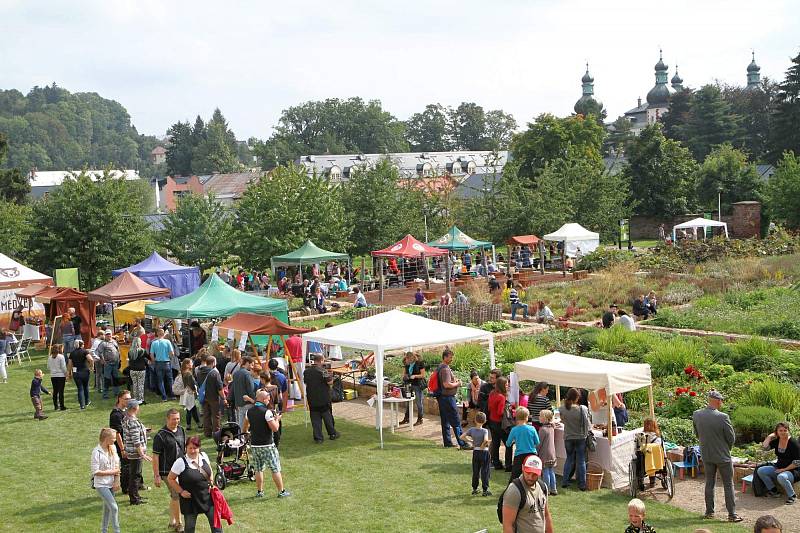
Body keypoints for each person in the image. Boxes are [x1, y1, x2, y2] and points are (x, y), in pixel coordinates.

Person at [692, 390, 742, 522]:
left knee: (709, 483)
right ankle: (732, 515)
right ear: (718, 401)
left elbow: (697, 434)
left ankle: (709, 512)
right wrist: (726, 449)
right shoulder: (723, 417)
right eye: (721, 400)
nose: (722, 403)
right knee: (728, 484)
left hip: (706, 455)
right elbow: (731, 438)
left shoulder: (697, 414)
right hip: (723, 457)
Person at [167, 436, 223, 533]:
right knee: (190, 528)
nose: (192, 451)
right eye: (190, 448)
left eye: (195, 448)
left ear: (199, 448)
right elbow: (170, 478)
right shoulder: (180, 462)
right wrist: (181, 491)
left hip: (207, 498)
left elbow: (209, 470)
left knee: (216, 527)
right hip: (190, 501)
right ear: (186, 448)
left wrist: (211, 481)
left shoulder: (204, 456)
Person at [243, 390, 291, 498]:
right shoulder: (267, 412)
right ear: (264, 399)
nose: (269, 401)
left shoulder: (248, 412)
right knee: (275, 468)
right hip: (267, 445)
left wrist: (249, 433)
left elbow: (245, 428)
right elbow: (275, 428)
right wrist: (277, 420)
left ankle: (260, 492)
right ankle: (281, 491)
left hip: (255, 445)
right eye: (268, 399)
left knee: (258, 469)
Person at [152, 408, 187, 532]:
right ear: (167, 419)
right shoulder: (160, 436)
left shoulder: (182, 430)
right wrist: (156, 475)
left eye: (178, 418)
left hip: (181, 469)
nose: (176, 421)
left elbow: (184, 450)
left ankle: (172, 521)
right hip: (167, 472)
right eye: (173, 419)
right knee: (177, 494)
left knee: (174, 496)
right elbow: (155, 456)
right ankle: (179, 524)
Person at [502, 455, 553, 533]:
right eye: (528, 472)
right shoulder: (514, 490)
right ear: (522, 468)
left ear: (540, 472)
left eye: (534, 474)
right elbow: (508, 525)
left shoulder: (543, 487)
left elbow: (546, 515)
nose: (530, 477)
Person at [758, 422, 800, 504]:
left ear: (788, 431)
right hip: (779, 467)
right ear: (776, 432)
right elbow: (764, 448)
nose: (783, 432)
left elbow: (797, 462)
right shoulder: (777, 441)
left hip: (793, 470)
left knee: (781, 477)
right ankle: (774, 491)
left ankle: (792, 496)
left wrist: (784, 469)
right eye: (780, 430)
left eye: (785, 430)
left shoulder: (793, 443)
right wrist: (770, 436)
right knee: (761, 470)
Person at [435, 348, 469, 449]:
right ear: (445, 357)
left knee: (445, 421)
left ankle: (448, 442)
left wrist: (454, 380)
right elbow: (446, 384)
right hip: (448, 398)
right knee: (456, 421)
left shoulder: (440, 367)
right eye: (450, 357)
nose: (452, 359)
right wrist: (458, 383)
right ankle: (463, 443)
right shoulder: (445, 368)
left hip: (442, 398)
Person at [304, 354, 339, 443]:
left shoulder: (306, 371)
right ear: (321, 360)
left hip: (312, 398)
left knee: (315, 419)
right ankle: (332, 433)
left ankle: (318, 438)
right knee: (327, 417)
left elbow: (306, 382)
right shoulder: (323, 371)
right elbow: (330, 382)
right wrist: (331, 376)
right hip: (323, 398)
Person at [92, 428, 121, 533]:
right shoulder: (96, 452)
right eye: (113, 438)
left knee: (108, 509)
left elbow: (117, 464)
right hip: (101, 485)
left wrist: (117, 480)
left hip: (111, 483)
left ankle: (104, 530)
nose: (115, 440)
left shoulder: (113, 448)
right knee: (114, 508)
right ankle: (117, 531)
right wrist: (112, 472)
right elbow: (95, 471)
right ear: (106, 438)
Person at [560, 387, 590, 491]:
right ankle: (582, 484)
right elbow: (587, 424)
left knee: (569, 459)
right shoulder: (582, 408)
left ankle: (565, 481)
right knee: (581, 460)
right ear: (576, 398)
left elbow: (562, 421)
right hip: (580, 436)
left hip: (568, 436)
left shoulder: (562, 408)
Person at [123, 399, 152, 505]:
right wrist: (142, 454)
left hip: (132, 451)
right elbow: (136, 441)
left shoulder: (127, 418)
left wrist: (144, 430)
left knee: (135, 474)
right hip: (135, 453)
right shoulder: (133, 422)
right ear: (135, 408)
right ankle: (134, 498)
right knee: (135, 475)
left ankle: (136, 495)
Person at [506, 406, 540, 480]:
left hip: (519, 455)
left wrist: (513, 441)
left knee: (515, 477)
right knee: (532, 476)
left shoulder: (514, 430)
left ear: (517, 417)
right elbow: (537, 442)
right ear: (527, 417)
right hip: (532, 454)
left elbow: (508, 444)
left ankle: (511, 490)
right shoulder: (532, 428)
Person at [464, 411, 492, 496]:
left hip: (475, 452)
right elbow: (486, 440)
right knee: (485, 471)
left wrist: (470, 440)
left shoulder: (472, 430)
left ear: (475, 420)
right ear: (485, 421)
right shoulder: (485, 431)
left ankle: (475, 489)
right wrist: (483, 446)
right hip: (484, 452)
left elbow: (462, 436)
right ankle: (485, 490)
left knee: (475, 471)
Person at [489, 377, 512, 469]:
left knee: (495, 443)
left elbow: (490, 408)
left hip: (492, 421)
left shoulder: (492, 393)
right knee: (508, 444)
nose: (507, 386)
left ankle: (496, 463)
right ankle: (508, 465)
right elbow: (500, 412)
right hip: (500, 423)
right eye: (506, 385)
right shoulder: (501, 397)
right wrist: (509, 411)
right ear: (502, 385)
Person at [198, 355, 224, 438]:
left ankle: (207, 433)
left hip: (204, 396)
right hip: (214, 397)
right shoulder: (215, 373)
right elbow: (220, 388)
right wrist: (224, 398)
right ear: (213, 363)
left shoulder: (199, 372)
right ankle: (216, 432)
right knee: (216, 415)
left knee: (206, 415)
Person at [635, 418, 662, 491]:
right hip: (657, 461)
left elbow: (636, 448)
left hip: (643, 460)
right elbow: (659, 447)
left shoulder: (640, 436)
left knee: (640, 455)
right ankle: (652, 481)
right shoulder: (657, 436)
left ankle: (640, 481)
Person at [399, 352, 426, 427]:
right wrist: (405, 376)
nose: (407, 362)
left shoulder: (420, 363)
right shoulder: (407, 363)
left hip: (418, 384)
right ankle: (406, 418)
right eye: (406, 361)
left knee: (418, 402)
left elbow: (423, 375)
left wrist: (414, 376)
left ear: (412, 358)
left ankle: (420, 419)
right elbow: (404, 374)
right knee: (408, 402)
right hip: (409, 385)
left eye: (408, 361)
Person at [173, 359, 201, 431]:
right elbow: (192, 384)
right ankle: (190, 425)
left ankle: (198, 424)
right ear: (187, 365)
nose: (192, 364)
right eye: (191, 363)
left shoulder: (183, 372)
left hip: (186, 393)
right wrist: (195, 391)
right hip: (190, 393)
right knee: (190, 409)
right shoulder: (188, 374)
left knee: (192, 409)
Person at [231, 356, 257, 429]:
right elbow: (251, 389)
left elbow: (234, 389)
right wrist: (255, 401)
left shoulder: (236, 373)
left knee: (241, 425)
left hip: (239, 403)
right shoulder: (247, 374)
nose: (252, 367)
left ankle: (241, 439)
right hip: (247, 403)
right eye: (252, 364)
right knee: (249, 425)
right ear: (247, 363)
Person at [151, 328, 175, 402]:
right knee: (170, 380)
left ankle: (164, 396)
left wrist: (154, 361)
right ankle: (171, 395)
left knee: (160, 380)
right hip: (167, 362)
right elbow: (172, 353)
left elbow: (151, 354)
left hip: (158, 363)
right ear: (164, 334)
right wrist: (170, 358)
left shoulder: (154, 343)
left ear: (157, 334)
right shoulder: (167, 341)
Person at [67, 339, 93, 408]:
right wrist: (91, 367)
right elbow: (91, 359)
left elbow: (69, 364)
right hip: (85, 371)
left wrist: (69, 373)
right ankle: (87, 401)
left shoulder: (72, 353)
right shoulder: (85, 351)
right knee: (86, 386)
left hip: (76, 372)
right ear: (81, 345)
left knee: (80, 388)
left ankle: (82, 405)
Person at [97, 330, 122, 400]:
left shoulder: (114, 341)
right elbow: (99, 352)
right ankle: (105, 395)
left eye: (109, 334)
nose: (109, 336)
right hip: (108, 364)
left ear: (111, 334)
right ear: (105, 335)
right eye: (107, 334)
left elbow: (118, 350)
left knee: (116, 379)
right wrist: (102, 360)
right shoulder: (103, 343)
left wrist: (119, 359)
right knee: (107, 379)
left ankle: (117, 393)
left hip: (115, 363)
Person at [537, 410, 557, 495]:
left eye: (540, 416)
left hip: (545, 453)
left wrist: (536, 451)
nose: (539, 417)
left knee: (545, 471)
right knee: (551, 471)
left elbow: (539, 443)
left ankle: (547, 489)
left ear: (545, 418)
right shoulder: (551, 427)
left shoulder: (543, 429)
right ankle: (554, 488)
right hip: (552, 453)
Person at [127, 336, 150, 404]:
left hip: (132, 370)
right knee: (140, 384)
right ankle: (141, 399)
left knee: (135, 384)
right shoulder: (142, 351)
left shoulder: (130, 351)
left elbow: (129, 360)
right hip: (141, 370)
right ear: (139, 343)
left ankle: (135, 398)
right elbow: (149, 357)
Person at [47, 344, 67, 411]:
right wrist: (66, 374)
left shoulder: (50, 357)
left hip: (53, 376)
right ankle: (62, 406)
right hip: (61, 376)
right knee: (61, 391)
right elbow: (63, 367)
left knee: (55, 391)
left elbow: (48, 367)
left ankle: (56, 406)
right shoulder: (61, 357)